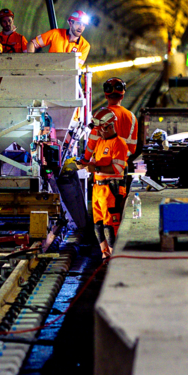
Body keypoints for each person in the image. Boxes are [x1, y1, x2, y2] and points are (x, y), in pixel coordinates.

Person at [78, 108, 129, 259]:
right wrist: (85, 164)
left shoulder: (119, 144)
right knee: (98, 225)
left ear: (109, 126)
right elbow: (95, 161)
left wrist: (97, 168)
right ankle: (105, 255)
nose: (98, 133)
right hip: (98, 189)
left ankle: (114, 257)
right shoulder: (100, 142)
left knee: (110, 225)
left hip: (111, 190)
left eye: (100, 130)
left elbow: (118, 168)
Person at [83, 77, 137, 160]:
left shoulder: (100, 115)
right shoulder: (132, 117)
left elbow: (92, 142)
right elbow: (132, 149)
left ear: (105, 96)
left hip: (102, 164)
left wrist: (86, 159)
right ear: (122, 97)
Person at [27, 10, 91, 65]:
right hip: (50, 73)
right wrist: (31, 62)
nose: (81, 27)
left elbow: (77, 67)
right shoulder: (55, 34)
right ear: (71, 23)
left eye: (84, 25)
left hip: (69, 77)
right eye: (79, 23)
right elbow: (32, 43)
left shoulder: (85, 45)